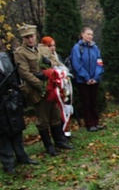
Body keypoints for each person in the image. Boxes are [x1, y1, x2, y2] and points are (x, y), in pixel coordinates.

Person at [14, 25, 74, 155]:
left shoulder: (44, 49)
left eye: (32, 36)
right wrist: (41, 85)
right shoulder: (20, 53)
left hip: (53, 87)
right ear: (23, 39)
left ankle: (59, 141)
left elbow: (55, 63)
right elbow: (24, 73)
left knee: (56, 115)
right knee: (43, 119)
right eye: (27, 37)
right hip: (37, 90)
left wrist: (49, 64)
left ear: (35, 36)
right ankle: (49, 146)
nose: (30, 39)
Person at [1, 51, 39, 176]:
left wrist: (19, 95)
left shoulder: (5, 57)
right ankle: (8, 163)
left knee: (17, 128)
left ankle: (22, 156)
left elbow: (15, 78)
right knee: (2, 133)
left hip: (12, 99)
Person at [70, 27, 105, 132]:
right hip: (83, 81)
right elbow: (77, 64)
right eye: (88, 34)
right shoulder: (77, 48)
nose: (90, 36)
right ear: (82, 34)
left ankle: (96, 122)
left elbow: (99, 63)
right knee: (86, 102)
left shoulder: (95, 47)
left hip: (94, 80)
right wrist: (86, 77)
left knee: (94, 101)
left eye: (91, 34)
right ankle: (89, 124)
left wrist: (95, 77)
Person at [41, 36, 75, 138]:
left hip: (63, 87)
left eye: (53, 45)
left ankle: (66, 131)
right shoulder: (43, 58)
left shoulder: (56, 56)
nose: (52, 48)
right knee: (57, 112)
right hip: (53, 89)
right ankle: (60, 134)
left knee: (66, 108)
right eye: (49, 46)